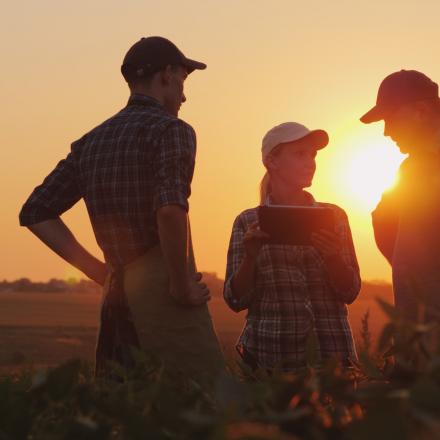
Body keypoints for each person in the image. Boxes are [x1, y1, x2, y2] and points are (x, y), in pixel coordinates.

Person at [19, 36, 224, 380]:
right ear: (166, 75)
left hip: (116, 303)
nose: (184, 95)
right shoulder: (172, 130)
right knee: (195, 407)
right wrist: (180, 284)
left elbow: (35, 212)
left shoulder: (90, 142)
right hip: (164, 302)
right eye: (182, 81)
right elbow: (170, 210)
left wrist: (99, 271)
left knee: (122, 412)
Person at [223, 122, 361, 371]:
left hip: (332, 362)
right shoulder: (247, 222)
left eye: (313, 155)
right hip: (269, 361)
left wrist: (332, 258)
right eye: (300, 154)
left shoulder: (335, 217)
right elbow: (235, 300)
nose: (311, 162)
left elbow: (350, 291)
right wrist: (250, 258)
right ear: (272, 161)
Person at [361, 70, 440, 323]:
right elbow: (383, 221)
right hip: (417, 332)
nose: (386, 131)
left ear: (421, 112)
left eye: (391, 118)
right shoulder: (410, 170)